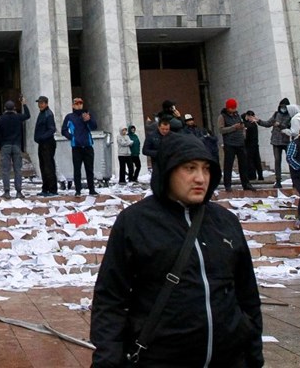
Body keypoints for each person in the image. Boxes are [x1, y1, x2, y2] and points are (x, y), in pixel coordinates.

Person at [90, 134, 263, 367]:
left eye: (206, 169)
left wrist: (253, 354)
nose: (200, 178)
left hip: (228, 359)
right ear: (168, 171)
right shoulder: (136, 222)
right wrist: (108, 360)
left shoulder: (225, 222)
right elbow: (110, 299)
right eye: (190, 168)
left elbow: (247, 295)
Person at [0, 99, 30, 199]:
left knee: (6, 170)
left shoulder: (1, 119)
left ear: (5, 108)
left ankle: (7, 191)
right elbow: (27, 115)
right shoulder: (18, 117)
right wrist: (24, 104)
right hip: (16, 145)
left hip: (5, 146)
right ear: (14, 108)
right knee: (18, 169)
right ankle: (18, 191)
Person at [62, 97, 98, 196]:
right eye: (76, 103)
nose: (79, 105)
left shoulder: (87, 115)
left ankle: (92, 189)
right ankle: (78, 190)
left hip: (88, 146)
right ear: (73, 105)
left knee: (89, 169)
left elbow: (94, 127)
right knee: (77, 169)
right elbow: (63, 130)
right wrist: (71, 137)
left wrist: (88, 120)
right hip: (76, 147)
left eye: (80, 103)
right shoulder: (69, 117)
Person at [217, 99, 253, 192]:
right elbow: (221, 130)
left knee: (244, 164)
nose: (233, 110)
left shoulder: (237, 115)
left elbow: (242, 126)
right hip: (229, 143)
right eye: (231, 108)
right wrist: (233, 127)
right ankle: (227, 185)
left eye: (234, 108)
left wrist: (243, 131)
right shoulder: (222, 117)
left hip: (240, 143)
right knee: (228, 165)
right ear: (228, 108)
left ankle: (246, 184)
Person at [256, 98, 293, 188]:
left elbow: (290, 128)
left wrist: (279, 125)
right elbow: (268, 123)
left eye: (284, 107)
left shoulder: (290, 116)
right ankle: (278, 180)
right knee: (277, 161)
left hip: (286, 141)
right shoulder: (276, 114)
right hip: (276, 141)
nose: (282, 108)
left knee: (291, 160)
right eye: (281, 107)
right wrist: (258, 121)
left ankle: (295, 180)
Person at [33, 96, 58, 196]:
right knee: (43, 166)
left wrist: (42, 137)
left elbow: (52, 129)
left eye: (42, 103)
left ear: (46, 103)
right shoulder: (42, 113)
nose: (40, 105)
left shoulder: (48, 114)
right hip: (42, 143)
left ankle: (52, 189)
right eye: (39, 103)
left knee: (48, 166)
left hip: (47, 143)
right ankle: (45, 188)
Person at [242, 111, 263, 181]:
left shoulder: (248, 125)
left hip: (249, 145)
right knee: (257, 160)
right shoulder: (254, 124)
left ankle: (252, 176)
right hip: (255, 144)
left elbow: (246, 137)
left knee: (250, 160)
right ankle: (260, 175)